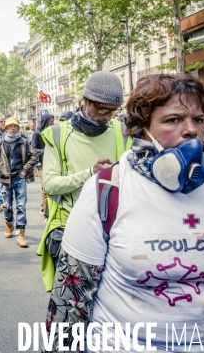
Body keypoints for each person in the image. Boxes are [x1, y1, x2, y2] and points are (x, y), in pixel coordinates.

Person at [44, 74, 204, 352]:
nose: (191, 130)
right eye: (173, 120)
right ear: (143, 128)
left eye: (199, 119)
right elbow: (71, 301)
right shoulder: (107, 190)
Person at [38, 71, 128, 292]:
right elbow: (50, 185)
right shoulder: (57, 133)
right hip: (72, 229)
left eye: (113, 111)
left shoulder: (123, 132)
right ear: (85, 101)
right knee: (73, 304)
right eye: (102, 109)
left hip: (115, 229)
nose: (107, 117)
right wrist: (91, 173)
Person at [0, 117, 38, 247]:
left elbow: (34, 156)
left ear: (18, 128)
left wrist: (25, 169)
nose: (12, 128)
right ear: (6, 128)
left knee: (21, 206)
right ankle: (9, 225)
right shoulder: (0, 142)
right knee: (6, 205)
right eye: (10, 126)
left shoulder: (24, 141)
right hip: (5, 178)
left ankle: (21, 234)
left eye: (15, 126)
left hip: (19, 177)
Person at [31, 113, 54, 221]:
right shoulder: (37, 133)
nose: (52, 123)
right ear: (45, 121)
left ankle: (42, 207)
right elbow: (33, 149)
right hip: (41, 164)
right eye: (50, 121)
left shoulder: (53, 132)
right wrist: (46, 151)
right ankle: (46, 214)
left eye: (53, 121)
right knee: (45, 189)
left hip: (52, 163)